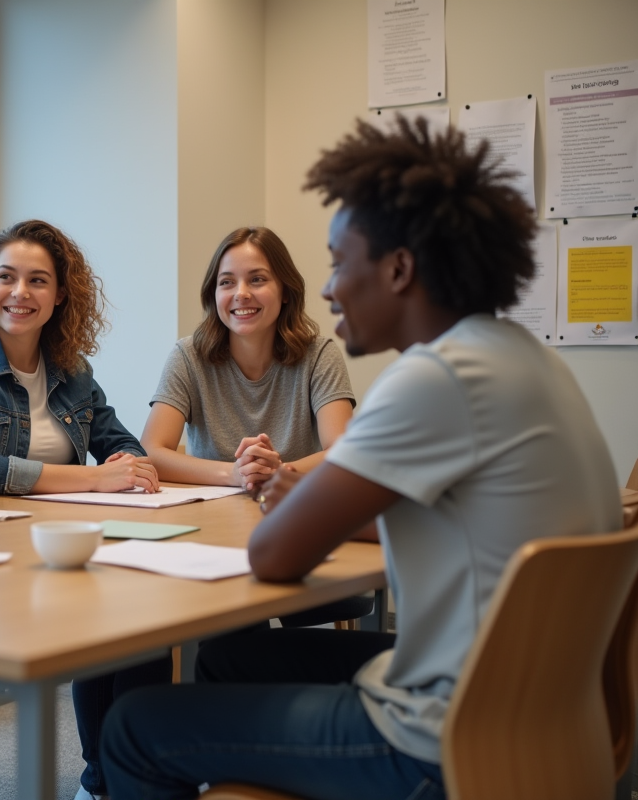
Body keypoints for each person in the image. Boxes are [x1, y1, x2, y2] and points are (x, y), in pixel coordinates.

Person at [100, 117, 622, 799]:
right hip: (540, 709)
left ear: (399, 270)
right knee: (233, 654)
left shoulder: (437, 377)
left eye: (341, 262)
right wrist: (312, 500)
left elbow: (275, 556)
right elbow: (425, 520)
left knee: (134, 725)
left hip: (442, 740)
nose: (328, 288)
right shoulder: (525, 360)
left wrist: (295, 501)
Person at [0, 219, 168, 800]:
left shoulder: (73, 370)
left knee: (145, 624)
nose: (19, 293)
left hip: (67, 540)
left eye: (38, 281)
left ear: (60, 296)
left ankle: (113, 780)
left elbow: (122, 444)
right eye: (6, 277)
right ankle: (102, 777)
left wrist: (130, 468)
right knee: (107, 618)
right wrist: (93, 479)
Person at [141, 226, 354, 493]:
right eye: (227, 282)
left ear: (286, 291)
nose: (241, 293)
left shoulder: (320, 355)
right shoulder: (187, 357)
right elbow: (151, 451)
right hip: (210, 512)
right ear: (214, 294)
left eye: (257, 279)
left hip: (291, 506)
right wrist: (233, 473)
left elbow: (344, 452)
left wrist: (280, 472)